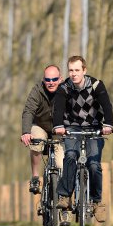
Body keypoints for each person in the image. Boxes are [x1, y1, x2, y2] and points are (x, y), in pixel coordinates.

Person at [53, 55, 113, 224]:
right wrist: (58, 126)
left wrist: (108, 124)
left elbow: (107, 105)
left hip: (94, 128)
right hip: (72, 128)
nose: (73, 74)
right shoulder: (64, 88)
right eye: (71, 70)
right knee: (70, 156)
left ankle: (96, 202)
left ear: (84, 70)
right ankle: (65, 197)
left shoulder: (96, 85)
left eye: (77, 70)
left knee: (94, 164)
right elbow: (58, 109)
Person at [20, 64, 64, 195]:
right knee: (36, 141)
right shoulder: (37, 91)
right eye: (48, 80)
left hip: (59, 129)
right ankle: (35, 177)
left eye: (54, 79)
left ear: (60, 79)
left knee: (62, 164)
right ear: (43, 80)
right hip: (40, 125)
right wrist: (26, 132)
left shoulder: (66, 90)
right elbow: (28, 111)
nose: (51, 83)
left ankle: (61, 193)